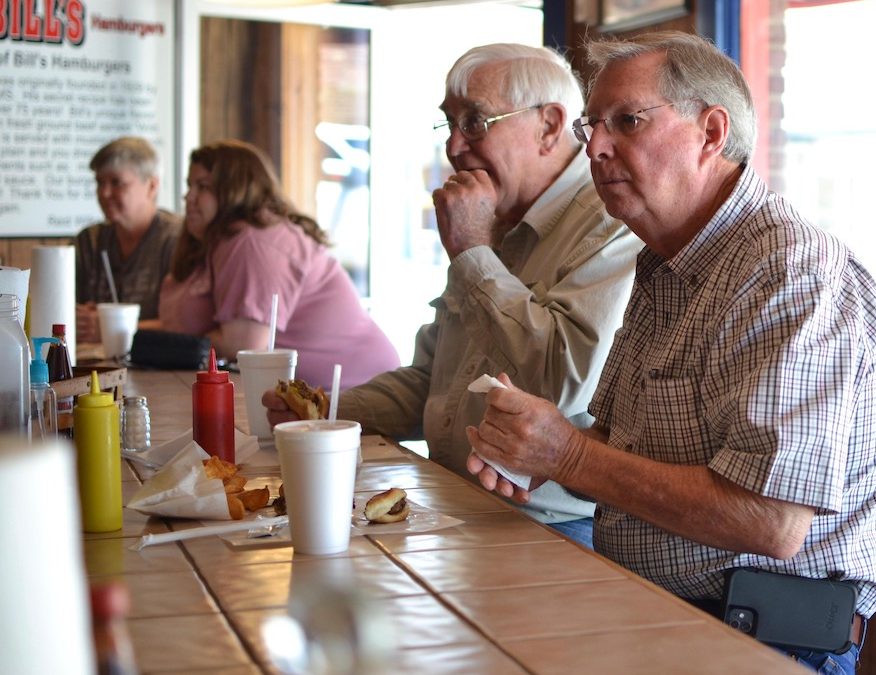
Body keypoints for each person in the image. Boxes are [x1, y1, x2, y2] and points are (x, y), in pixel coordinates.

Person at [464, 32, 876, 674]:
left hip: (767, 640)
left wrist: (569, 453)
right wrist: (537, 457)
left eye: (628, 121)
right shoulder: (664, 261)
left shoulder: (790, 269)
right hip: (653, 613)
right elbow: (620, 444)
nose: (598, 148)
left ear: (711, 131)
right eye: (593, 127)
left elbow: (770, 519)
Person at [263, 43, 641, 548]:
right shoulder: (494, 220)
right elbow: (434, 381)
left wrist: (471, 253)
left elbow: (561, 380)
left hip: (551, 525)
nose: (455, 147)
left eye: (477, 122)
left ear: (550, 126)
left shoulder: (608, 219)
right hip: (455, 503)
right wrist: (328, 412)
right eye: (450, 124)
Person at [158, 139, 399, 390]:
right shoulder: (227, 241)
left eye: (202, 186)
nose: (188, 196)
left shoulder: (253, 243)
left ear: (235, 189)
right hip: (326, 393)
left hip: (358, 391)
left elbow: (245, 344)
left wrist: (167, 345)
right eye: (189, 185)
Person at [75, 137, 182, 342]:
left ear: (151, 186)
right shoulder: (88, 242)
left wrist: (108, 327)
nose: (104, 193)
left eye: (117, 183)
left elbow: (186, 324)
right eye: (99, 183)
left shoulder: (177, 240)